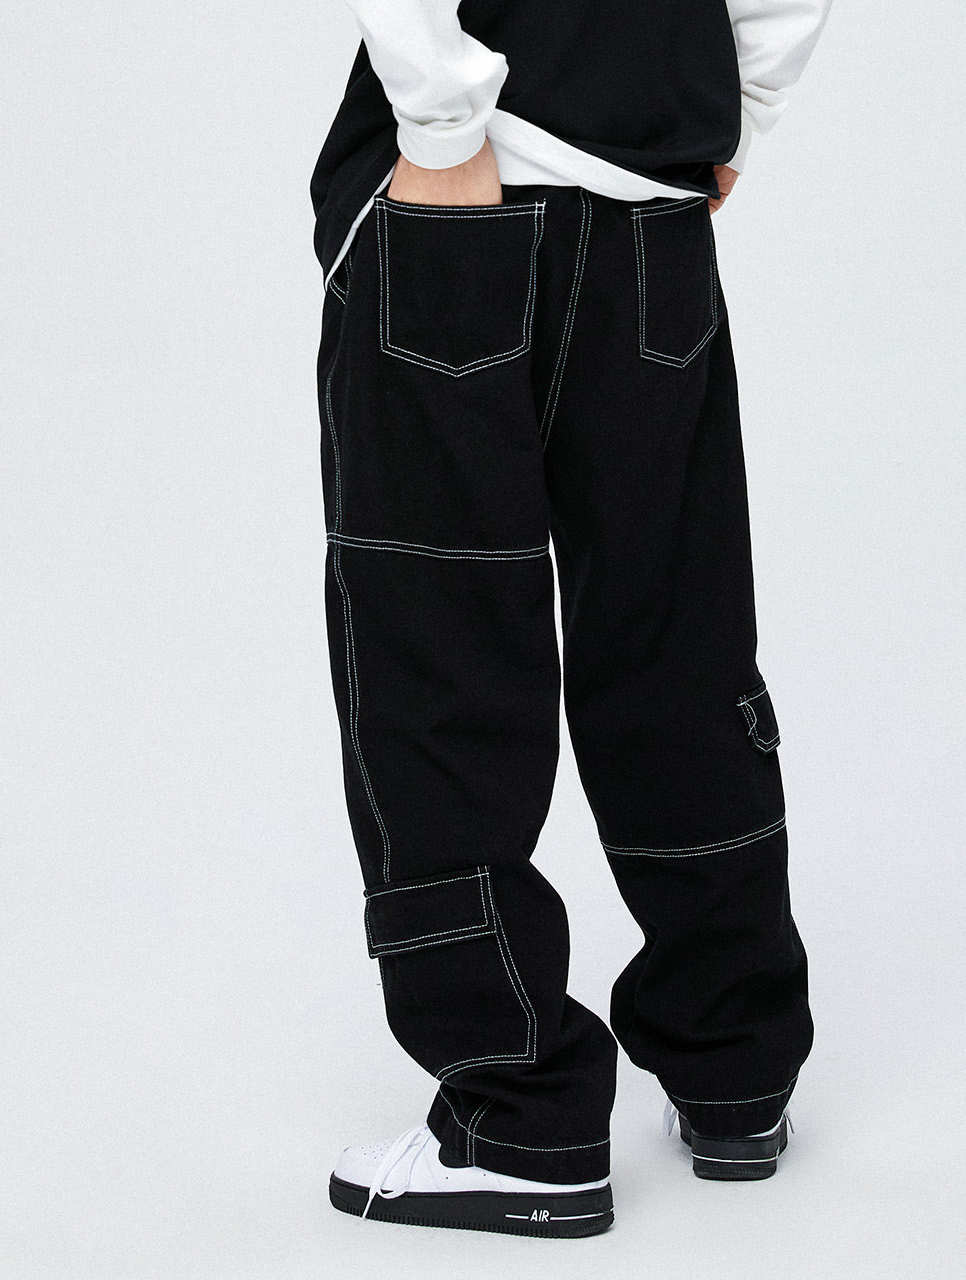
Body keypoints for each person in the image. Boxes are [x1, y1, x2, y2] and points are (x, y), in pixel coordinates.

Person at [310, 0, 832, 1238]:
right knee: (674, 641)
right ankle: (732, 1062)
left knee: (441, 656)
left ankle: (516, 1116)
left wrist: (439, 125)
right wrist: (737, 104)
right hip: (650, 208)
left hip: (463, 197)